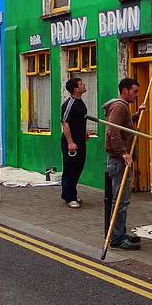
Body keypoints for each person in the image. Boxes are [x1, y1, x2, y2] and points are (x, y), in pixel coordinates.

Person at [103, 77, 146, 250]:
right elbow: (112, 130)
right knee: (120, 200)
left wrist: (136, 115)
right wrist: (123, 153)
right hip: (118, 160)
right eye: (135, 91)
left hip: (119, 160)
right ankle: (116, 239)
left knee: (122, 199)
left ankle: (120, 232)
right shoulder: (120, 106)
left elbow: (123, 126)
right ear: (125, 90)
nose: (137, 95)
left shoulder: (122, 107)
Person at [61, 77, 89, 208]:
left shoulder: (80, 103)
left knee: (79, 167)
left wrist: (84, 132)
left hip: (80, 140)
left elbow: (79, 120)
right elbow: (65, 123)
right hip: (71, 142)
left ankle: (72, 193)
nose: (84, 85)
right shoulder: (70, 103)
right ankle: (69, 196)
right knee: (71, 168)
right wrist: (70, 142)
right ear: (75, 89)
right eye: (81, 84)